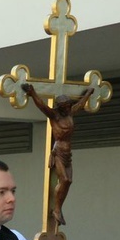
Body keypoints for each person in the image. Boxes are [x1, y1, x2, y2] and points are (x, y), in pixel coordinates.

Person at [21, 83, 94, 226]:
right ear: (60, 107)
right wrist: (33, 93)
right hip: (58, 151)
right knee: (65, 180)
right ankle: (57, 210)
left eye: (68, 106)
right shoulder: (54, 115)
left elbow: (80, 104)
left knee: (69, 181)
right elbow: (42, 106)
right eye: (65, 106)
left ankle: (58, 208)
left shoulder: (70, 113)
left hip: (68, 152)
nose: (67, 108)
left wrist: (88, 93)